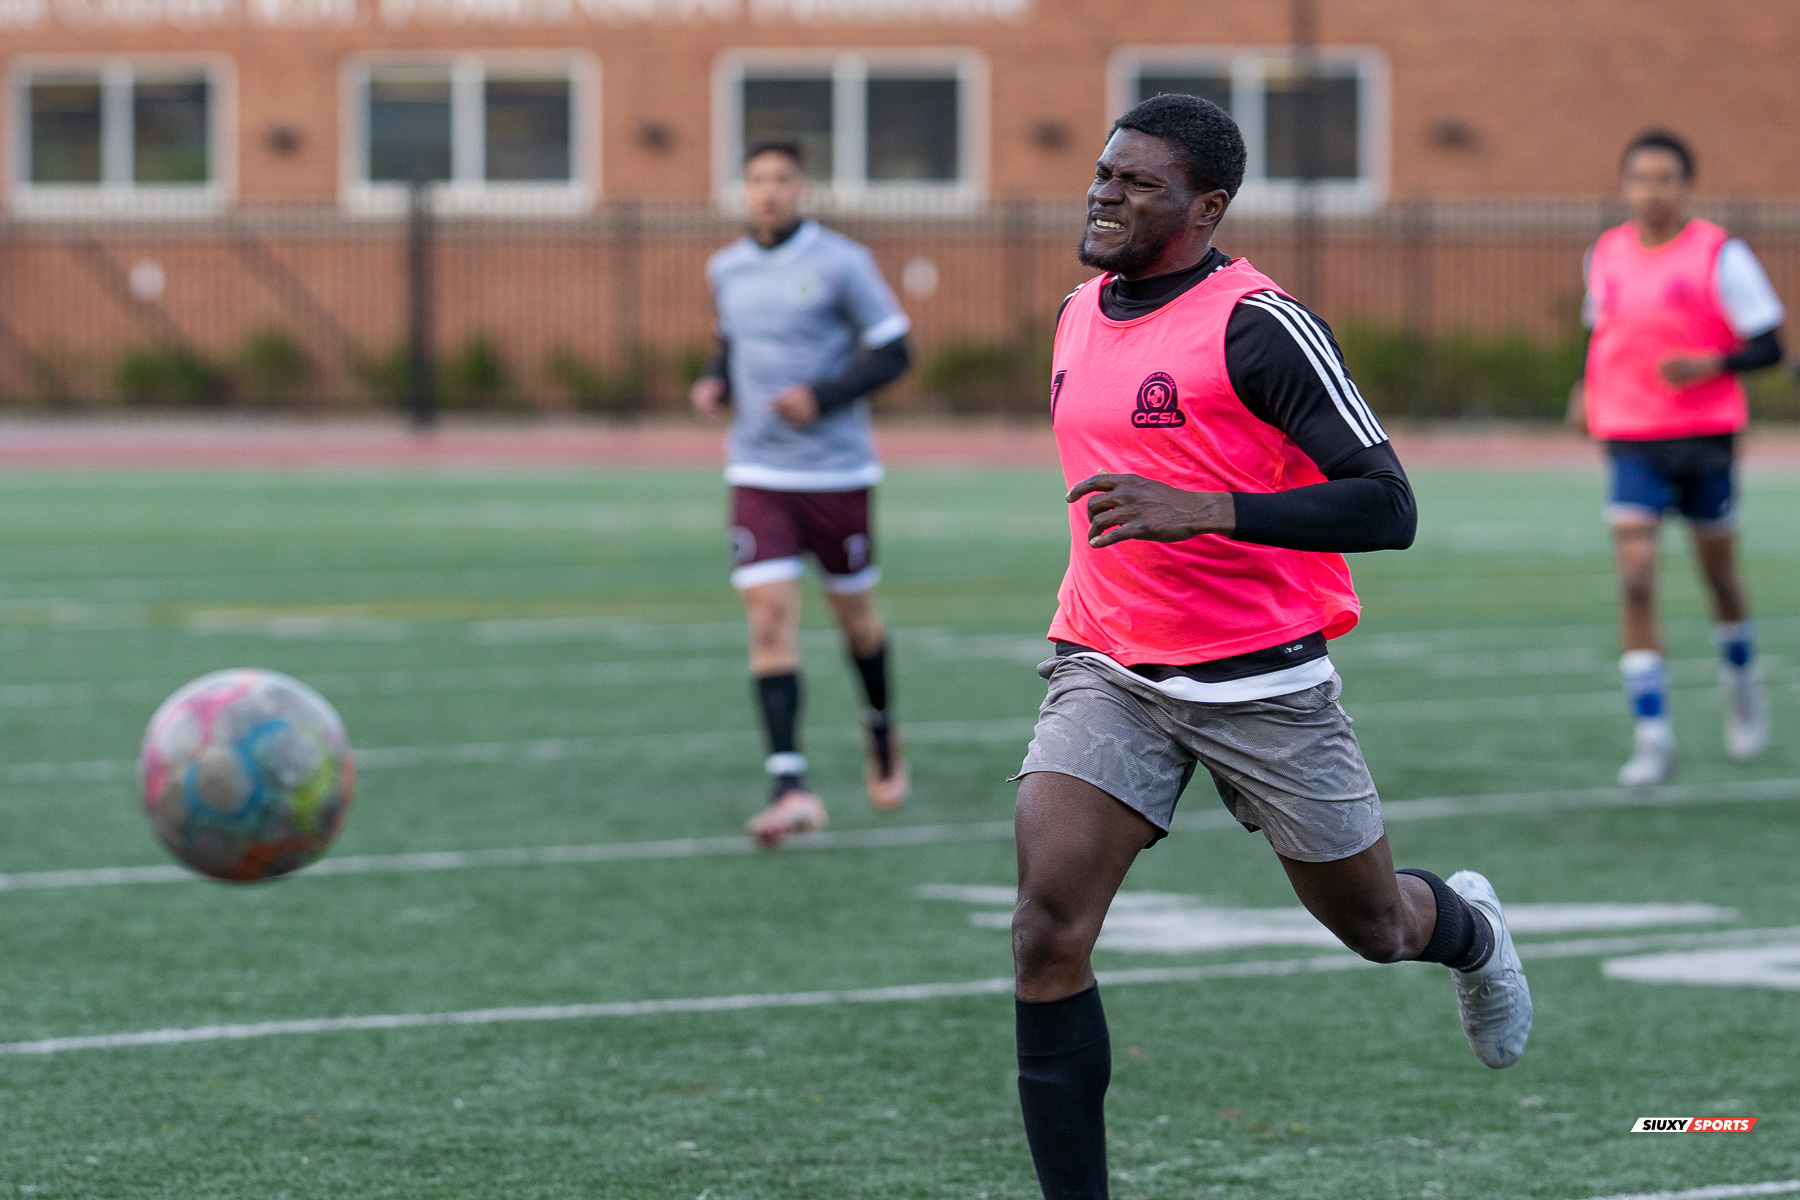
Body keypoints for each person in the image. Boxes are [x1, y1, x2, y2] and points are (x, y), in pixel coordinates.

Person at [1008, 94, 1534, 1200]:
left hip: (1263, 682)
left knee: (1377, 926)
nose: (1106, 193)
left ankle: (1470, 930)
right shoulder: (1074, 312)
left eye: (1137, 182)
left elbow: (1387, 506)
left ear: (1206, 207)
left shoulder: (1259, 323)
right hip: (1107, 665)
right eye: (1104, 173)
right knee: (1047, 932)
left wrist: (1210, 511)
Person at [691, 139, 914, 846]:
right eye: (757, 179)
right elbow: (731, 341)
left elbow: (895, 350)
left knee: (856, 622)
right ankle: (789, 785)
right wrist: (715, 379)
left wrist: (820, 397)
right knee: (767, 621)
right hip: (758, 472)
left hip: (836, 473)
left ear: (803, 188)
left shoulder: (841, 262)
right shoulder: (724, 268)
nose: (768, 192)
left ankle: (880, 728)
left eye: (781, 179)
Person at [1569, 130, 1785, 787]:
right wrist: (1585, 387)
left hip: (1705, 436)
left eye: (1666, 179)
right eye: (1642, 178)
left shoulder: (1721, 255)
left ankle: (1741, 683)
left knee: (1718, 576)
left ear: (1686, 187)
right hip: (1631, 435)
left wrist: (1710, 364)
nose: (1654, 192)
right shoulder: (1606, 253)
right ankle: (1653, 733)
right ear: (1624, 186)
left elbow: (1770, 346)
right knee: (1635, 574)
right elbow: (1603, 331)